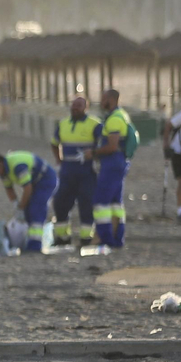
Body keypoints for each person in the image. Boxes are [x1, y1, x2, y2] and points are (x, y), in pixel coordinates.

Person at [0, 150, 58, 253]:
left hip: (46, 179)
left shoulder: (17, 166)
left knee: (36, 209)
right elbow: (9, 189)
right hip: (35, 183)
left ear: (0, 164)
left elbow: (27, 188)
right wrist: (15, 204)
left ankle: (35, 245)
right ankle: (28, 241)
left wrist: (21, 207)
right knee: (28, 211)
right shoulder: (4, 172)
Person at [50, 95, 100, 246]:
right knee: (60, 203)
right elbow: (54, 143)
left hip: (87, 173)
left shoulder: (95, 124)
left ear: (86, 108)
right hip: (67, 172)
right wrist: (58, 159)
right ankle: (63, 237)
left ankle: (86, 238)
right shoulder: (63, 124)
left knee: (86, 204)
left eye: (79, 105)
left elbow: (103, 145)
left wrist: (95, 156)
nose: (75, 108)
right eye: (73, 105)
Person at [92, 88, 134, 249]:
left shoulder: (115, 119)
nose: (101, 102)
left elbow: (112, 146)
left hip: (112, 163)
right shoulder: (120, 115)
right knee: (116, 203)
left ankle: (105, 238)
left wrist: (93, 153)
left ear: (111, 99)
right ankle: (117, 239)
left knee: (101, 201)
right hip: (118, 162)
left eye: (103, 99)